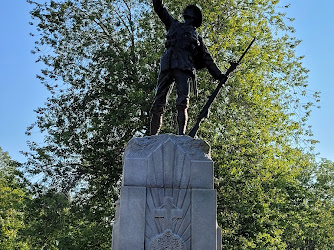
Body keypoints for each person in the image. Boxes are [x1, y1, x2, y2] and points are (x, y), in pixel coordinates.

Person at [150, 0, 224, 135]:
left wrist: (219, 75)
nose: (187, 14)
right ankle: (152, 136)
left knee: (182, 102)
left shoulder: (197, 37)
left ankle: (181, 135)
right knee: (158, 102)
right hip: (168, 65)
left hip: (184, 67)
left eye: (191, 13)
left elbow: (207, 59)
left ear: (194, 17)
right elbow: (159, 8)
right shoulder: (173, 25)